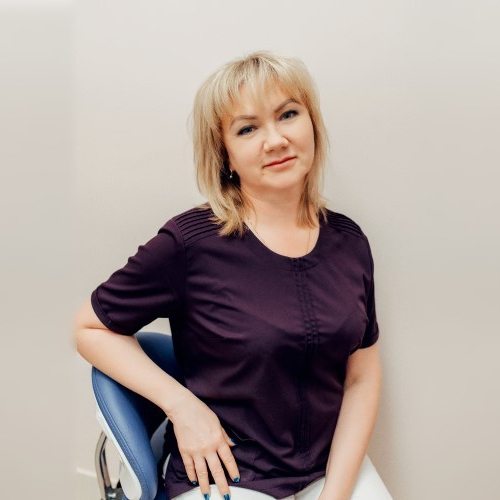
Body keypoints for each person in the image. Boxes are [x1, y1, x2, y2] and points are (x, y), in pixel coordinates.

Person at [75, 51, 391, 500]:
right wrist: (182, 407)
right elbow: (90, 328)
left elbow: (361, 375)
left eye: (288, 114)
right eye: (247, 129)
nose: (275, 140)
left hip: (329, 469)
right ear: (225, 154)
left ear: (312, 125)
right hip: (228, 473)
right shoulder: (190, 243)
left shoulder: (350, 242)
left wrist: (335, 494)